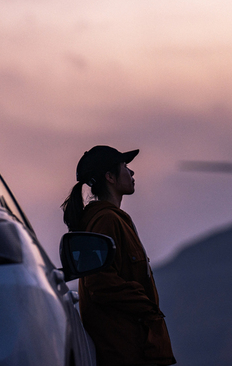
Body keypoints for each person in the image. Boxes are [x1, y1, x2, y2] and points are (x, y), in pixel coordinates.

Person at [61, 145, 176, 366]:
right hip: (124, 350)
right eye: (125, 166)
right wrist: (146, 305)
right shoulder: (106, 220)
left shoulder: (110, 219)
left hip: (131, 346)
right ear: (110, 177)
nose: (131, 173)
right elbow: (100, 281)